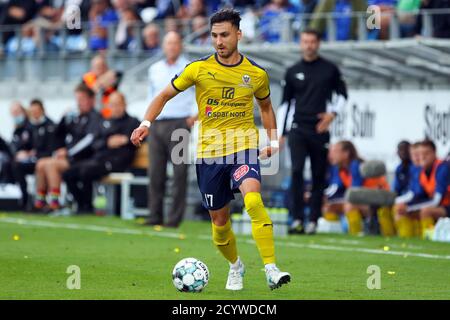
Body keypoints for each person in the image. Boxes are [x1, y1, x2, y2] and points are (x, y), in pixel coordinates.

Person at [131, 8, 291, 291]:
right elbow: (164, 95)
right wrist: (146, 122)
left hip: (243, 149)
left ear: (238, 35)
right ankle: (235, 266)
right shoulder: (198, 69)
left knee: (253, 201)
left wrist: (274, 141)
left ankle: (271, 268)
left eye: (225, 35)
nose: (219, 41)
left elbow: (266, 107)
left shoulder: (255, 74)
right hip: (209, 154)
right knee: (219, 223)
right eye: (214, 35)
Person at [280, 28, 348, 235]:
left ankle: (313, 221)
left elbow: (343, 96)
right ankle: (297, 219)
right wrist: (281, 134)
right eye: (305, 41)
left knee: (319, 175)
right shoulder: (292, 71)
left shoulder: (330, 69)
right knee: (297, 171)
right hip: (298, 128)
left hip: (319, 129)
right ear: (301, 44)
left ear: (318, 43)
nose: (308, 45)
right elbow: (285, 104)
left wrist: (332, 115)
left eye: (312, 41)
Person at [144, 31, 197, 228]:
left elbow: (199, 93)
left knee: (179, 173)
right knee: (155, 172)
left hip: (179, 123)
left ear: (180, 45)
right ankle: (154, 215)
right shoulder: (154, 69)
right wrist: (147, 121)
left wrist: (194, 116)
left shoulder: (189, 67)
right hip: (158, 123)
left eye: (175, 43)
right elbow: (151, 95)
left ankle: (174, 219)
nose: (172, 47)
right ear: (164, 46)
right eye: (169, 43)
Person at [63, 92, 139, 213]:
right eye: (112, 105)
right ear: (108, 106)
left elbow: (142, 138)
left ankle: (87, 206)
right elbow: (95, 143)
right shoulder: (104, 122)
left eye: (118, 104)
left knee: (86, 171)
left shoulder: (133, 122)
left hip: (117, 161)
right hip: (99, 159)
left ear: (124, 104)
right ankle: (82, 204)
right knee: (68, 173)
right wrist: (107, 142)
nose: (116, 108)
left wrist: (126, 140)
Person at [34, 83, 102, 212]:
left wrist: (68, 152)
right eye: (77, 100)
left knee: (50, 165)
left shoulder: (95, 117)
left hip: (83, 159)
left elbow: (88, 141)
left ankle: (54, 202)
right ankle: (40, 201)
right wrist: (63, 118)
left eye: (82, 99)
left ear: (91, 100)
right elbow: (58, 134)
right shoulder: (75, 117)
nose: (79, 103)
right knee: (41, 163)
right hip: (71, 157)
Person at [394, 140, 450, 238]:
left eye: (426, 154)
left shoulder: (442, 168)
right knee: (400, 210)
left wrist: (409, 208)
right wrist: (405, 207)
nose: (422, 157)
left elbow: (437, 200)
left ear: (434, 153)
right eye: (419, 154)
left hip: (446, 205)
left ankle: (428, 239)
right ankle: (408, 240)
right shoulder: (421, 171)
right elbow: (417, 195)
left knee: (426, 211)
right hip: (437, 205)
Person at [11, 99, 56, 210]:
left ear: (42, 110)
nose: (34, 114)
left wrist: (34, 154)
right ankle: (25, 198)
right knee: (15, 165)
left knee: (41, 165)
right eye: (32, 111)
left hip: (45, 159)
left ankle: (43, 201)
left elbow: (51, 148)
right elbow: (24, 144)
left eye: (36, 111)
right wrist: (24, 153)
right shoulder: (29, 126)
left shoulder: (50, 126)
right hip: (32, 159)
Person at [82, 54, 123, 118]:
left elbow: (119, 74)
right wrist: (101, 82)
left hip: (110, 114)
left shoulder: (113, 76)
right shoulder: (86, 79)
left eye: (102, 66)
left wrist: (101, 81)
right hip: (91, 115)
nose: (100, 68)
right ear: (92, 68)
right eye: (97, 66)